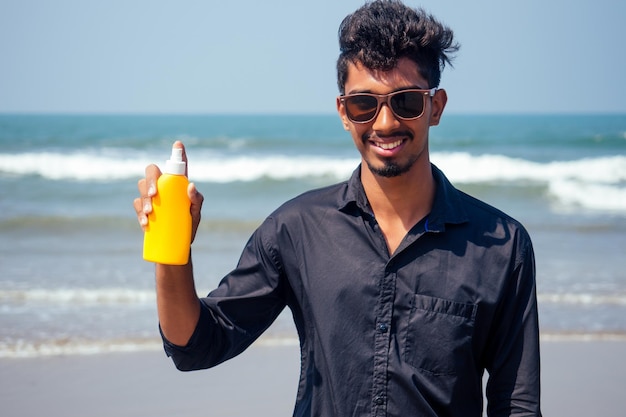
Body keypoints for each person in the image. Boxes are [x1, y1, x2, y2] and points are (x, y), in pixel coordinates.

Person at [133, 1, 542, 415]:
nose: (384, 124)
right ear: (344, 112)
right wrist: (172, 249)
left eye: (406, 102)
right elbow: (196, 345)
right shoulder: (296, 230)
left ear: (435, 107)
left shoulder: (502, 246)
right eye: (365, 104)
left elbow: (518, 404)